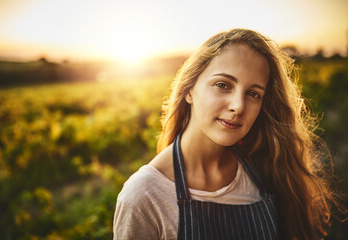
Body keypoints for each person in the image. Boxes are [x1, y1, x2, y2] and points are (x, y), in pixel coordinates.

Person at [113, 29, 334, 240]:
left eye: (253, 94)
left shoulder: (266, 167)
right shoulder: (144, 196)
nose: (238, 106)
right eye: (223, 85)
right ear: (189, 90)